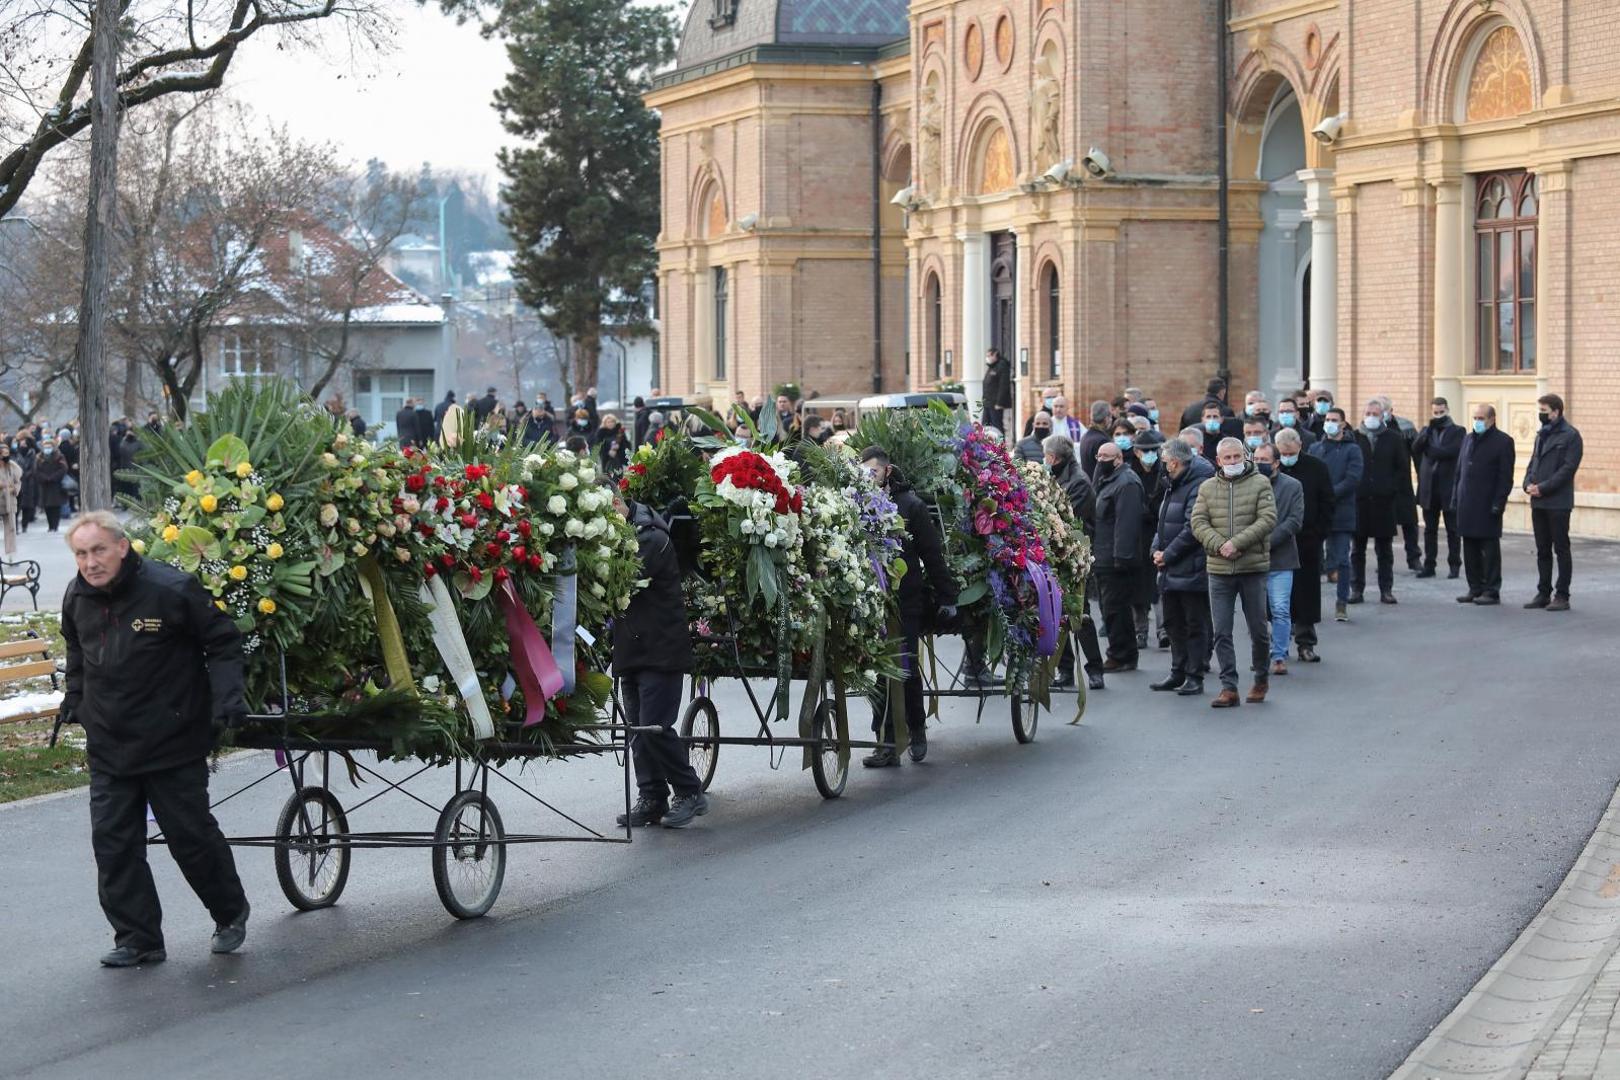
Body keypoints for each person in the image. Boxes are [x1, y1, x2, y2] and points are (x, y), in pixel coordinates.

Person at [62, 511, 250, 966]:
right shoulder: (77, 596)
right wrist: (75, 698)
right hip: (109, 742)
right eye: (82, 554)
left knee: (190, 835)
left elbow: (222, 641)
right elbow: (77, 650)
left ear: (122, 547)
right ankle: (138, 938)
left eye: (99, 550)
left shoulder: (170, 589)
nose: (90, 562)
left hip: (172, 738)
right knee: (113, 842)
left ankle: (229, 914)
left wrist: (227, 698)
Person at [612, 495, 707, 828]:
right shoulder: (625, 533)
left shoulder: (650, 537)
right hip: (631, 647)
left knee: (654, 727)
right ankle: (651, 795)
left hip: (660, 648)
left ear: (615, 502)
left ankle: (689, 790)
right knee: (637, 730)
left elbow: (618, 579)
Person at [859, 447, 957, 766]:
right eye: (863, 473)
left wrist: (947, 597)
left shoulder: (910, 506)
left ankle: (916, 728)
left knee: (906, 667)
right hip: (871, 600)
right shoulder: (856, 505)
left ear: (887, 472)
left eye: (872, 472)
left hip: (906, 600)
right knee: (875, 670)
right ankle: (886, 741)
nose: (867, 478)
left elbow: (932, 554)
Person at [1190, 437, 1276, 707]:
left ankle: (1261, 678)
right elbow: (1198, 521)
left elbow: (1268, 518)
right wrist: (1220, 545)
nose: (1232, 462)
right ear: (1218, 461)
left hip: (1252, 568)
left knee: (1258, 630)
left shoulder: (1260, 483)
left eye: (1237, 457)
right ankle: (1229, 687)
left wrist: (1236, 544)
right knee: (1222, 631)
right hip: (1218, 569)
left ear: (1245, 457)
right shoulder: (1207, 487)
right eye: (1227, 458)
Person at [1150, 436, 1215, 696]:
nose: (1162, 466)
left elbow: (1192, 528)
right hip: (1170, 566)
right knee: (1173, 622)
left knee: (1193, 623)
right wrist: (1155, 549)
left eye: (1165, 462)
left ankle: (1194, 674)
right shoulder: (1174, 484)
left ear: (1175, 463)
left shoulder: (1198, 485)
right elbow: (1163, 521)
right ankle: (1178, 671)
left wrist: (1168, 554)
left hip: (1191, 565)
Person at [1044, 432, 1106, 690]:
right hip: (1054, 556)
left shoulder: (1078, 482)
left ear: (1055, 457)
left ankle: (1094, 669)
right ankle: (1066, 670)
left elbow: (1069, 520)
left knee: (1080, 615)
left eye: (1046, 455)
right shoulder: (1053, 478)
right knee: (1056, 615)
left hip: (1074, 557)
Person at [1276, 428, 1333, 662]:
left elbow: (1328, 502)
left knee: (1307, 592)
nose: (1287, 456)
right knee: (1278, 595)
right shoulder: (1270, 469)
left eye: (1291, 452)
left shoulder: (1316, 468)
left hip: (1307, 540)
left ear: (1300, 446)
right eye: (1282, 453)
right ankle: (1278, 645)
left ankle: (1306, 642)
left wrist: (1319, 533)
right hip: (1277, 542)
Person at [1523, 393, 1583, 611]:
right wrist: (1527, 482)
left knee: (1561, 548)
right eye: (1540, 411)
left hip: (1558, 502)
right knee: (1542, 550)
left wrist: (1543, 487)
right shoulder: (1542, 435)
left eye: (1544, 411)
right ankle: (1543, 592)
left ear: (1556, 412)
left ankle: (1562, 595)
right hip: (1538, 502)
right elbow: (1533, 462)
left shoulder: (1571, 436)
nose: (1541, 415)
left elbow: (1567, 470)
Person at [1453, 404, 1516, 606]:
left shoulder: (1503, 442)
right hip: (1466, 502)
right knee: (1469, 547)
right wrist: (1455, 497)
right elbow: (1459, 472)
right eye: (1475, 417)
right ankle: (1475, 587)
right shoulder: (1468, 439)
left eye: (1481, 418)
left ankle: (1491, 590)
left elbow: (1505, 477)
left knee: (1489, 550)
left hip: (1488, 503)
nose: (1477, 421)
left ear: (1491, 419)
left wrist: (1499, 503)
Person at [1091, 441, 1143, 673]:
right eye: (1098, 456)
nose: (1101, 461)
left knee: (1115, 608)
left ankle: (1121, 654)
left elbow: (1127, 523)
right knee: (1110, 607)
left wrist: (1121, 557)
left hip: (1116, 559)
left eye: (1106, 456)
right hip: (1104, 555)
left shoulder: (1127, 483)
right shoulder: (1108, 480)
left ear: (1119, 459)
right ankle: (1122, 652)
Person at [1308, 408, 1363, 623]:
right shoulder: (1316, 448)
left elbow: (1352, 479)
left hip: (1341, 512)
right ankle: (1311, 604)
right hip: (1318, 513)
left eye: (1334, 420)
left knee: (1341, 559)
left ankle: (1342, 602)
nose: (1329, 423)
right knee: (1313, 561)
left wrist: (1329, 494)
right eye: (1327, 419)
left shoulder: (1352, 450)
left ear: (1343, 424)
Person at [1351, 398, 1408, 605]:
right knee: (1357, 549)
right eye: (1368, 414)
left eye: (1375, 414)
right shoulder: (1355, 437)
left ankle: (1386, 590)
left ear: (1383, 416)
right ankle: (1357, 589)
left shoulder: (1393, 438)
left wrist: (1392, 488)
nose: (1371, 418)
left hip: (1385, 502)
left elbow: (1402, 468)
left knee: (1384, 550)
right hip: (1360, 501)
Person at [1253, 441, 1302, 677]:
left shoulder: (1292, 486)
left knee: (1280, 609)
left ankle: (1279, 655)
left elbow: (1294, 521)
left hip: (1281, 558)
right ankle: (1260, 655)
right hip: (1251, 559)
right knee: (1257, 612)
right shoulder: (1247, 485)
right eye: (1257, 460)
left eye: (1265, 461)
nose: (1260, 465)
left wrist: (1267, 541)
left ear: (1276, 463)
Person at [1411, 397, 1464, 579]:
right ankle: (1429, 565)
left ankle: (1454, 564)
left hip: (1448, 488)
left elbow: (1451, 452)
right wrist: (1427, 433)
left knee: (1452, 530)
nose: (1439, 415)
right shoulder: (1427, 430)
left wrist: (1432, 450)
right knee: (1429, 530)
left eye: (1442, 412)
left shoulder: (1458, 431)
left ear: (1447, 410)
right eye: (1435, 412)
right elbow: (1416, 448)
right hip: (1429, 487)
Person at [33, 438, 68, 532]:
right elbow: (36, 470)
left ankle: (55, 525)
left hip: (56, 485)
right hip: (44, 485)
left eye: (49, 447)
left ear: (53, 447)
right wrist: (43, 478)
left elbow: (63, 469)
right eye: (45, 447)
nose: (47, 449)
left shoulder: (59, 456)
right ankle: (50, 525)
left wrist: (53, 477)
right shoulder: (39, 457)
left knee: (56, 506)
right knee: (47, 506)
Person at [981, 349, 1012, 432]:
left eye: (989, 356)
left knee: (997, 426)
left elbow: (1003, 386)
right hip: (988, 403)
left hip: (995, 404)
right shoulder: (991, 367)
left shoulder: (1002, 366)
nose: (987, 358)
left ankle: (1000, 444)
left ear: (995, 355)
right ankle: (986, 444)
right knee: (985, 426)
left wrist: (999, 403)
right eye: (987, 356)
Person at [0, 444, 19, 555]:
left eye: (7, 453)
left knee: (10, 528)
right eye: (3, 453)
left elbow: (18, 481)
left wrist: (14, 489)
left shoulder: (12, 466)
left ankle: (10, 553)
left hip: (9, 500)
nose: (6, 456)